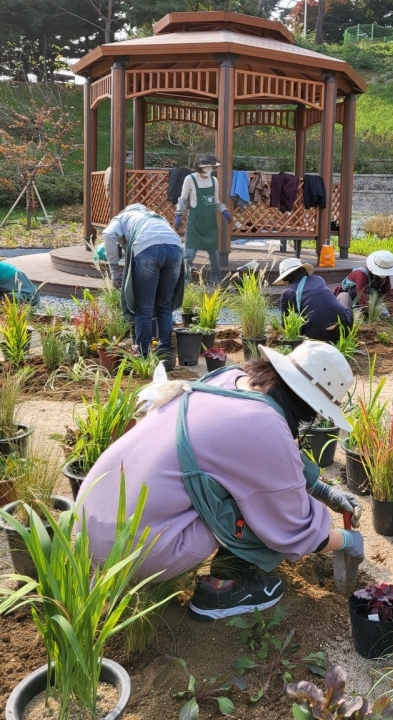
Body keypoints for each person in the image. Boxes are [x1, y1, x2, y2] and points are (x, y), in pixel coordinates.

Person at [77, 341, 364, 622]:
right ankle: (221, 591)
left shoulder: (229, 379)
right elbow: (292, 529)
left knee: (237, 488)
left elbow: (261, 460)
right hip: (133, 551)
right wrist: (346, 541)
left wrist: (322, 490)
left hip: (87, 523)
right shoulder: (265, 424)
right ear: (309, 405)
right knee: (255, 507)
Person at [103, 203, 184, 359]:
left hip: (147, 250)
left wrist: (114, 270)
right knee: (165, 304)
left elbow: (108, 234)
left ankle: (143, 354)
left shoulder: (121, 218)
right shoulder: (156, 216)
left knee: (144, 306)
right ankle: (165, 352)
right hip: (175, 248)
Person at [174, 153, 232, 285]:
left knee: (215, 256)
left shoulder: (214, 180)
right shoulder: (190, 179)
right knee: (189, 255)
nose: (209, 169)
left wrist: (224, 210)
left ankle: (215, 280)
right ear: (200, 167)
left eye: (211, 167)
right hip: (195, 222)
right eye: (207, 167)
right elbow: (183, 199)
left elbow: (216, 201)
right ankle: (185, 280)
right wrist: (178, 215)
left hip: (210, 223)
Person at [274, 258, 353, 342]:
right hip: (345, 328)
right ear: (304, 271)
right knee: (344, 295)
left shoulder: (287, 292)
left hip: (318, 334)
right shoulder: (318, 279)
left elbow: (286, 324)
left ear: (286, 279)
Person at [335, 250, 393, 317]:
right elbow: (361, 296)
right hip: (348, 297)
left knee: (378, 294)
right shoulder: (362, 274)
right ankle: (356, 312)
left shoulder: (385, 277)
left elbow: (387, 294)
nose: (383, 275)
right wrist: (371, 314)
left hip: (365, 297)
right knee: (354, 292)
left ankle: (365, 312)